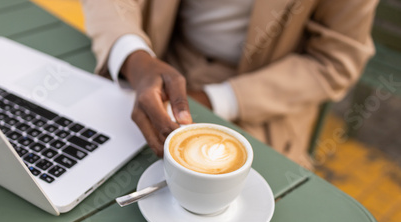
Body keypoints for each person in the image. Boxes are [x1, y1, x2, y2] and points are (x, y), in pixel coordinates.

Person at [81, 0, 377, 168]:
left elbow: (336, 60)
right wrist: (134, 56)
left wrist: (217, 99)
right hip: (160, 62)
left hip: (262, 99)